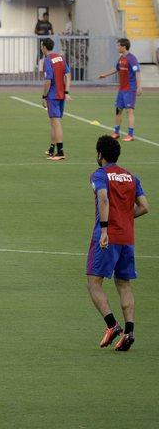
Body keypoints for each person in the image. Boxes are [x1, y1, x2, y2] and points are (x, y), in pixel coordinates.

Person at [86, 135, 148, 351]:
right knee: (124, 284)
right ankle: (129, 332)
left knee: (94, 283)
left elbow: (103, 198)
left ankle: (112, 326)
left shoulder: (100, 175)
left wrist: (105, 228)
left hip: (107, 237)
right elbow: (144, 206)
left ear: (100, 155)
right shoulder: (131, 176)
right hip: (127, 237)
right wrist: (124, 217)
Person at [98, 38, 141, 142]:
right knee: (118, 110)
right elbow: (116, 68)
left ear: (123, 47)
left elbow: (137, 72)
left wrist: (139, 86)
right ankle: (116, 132)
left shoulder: (132, 59)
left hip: (130, 89)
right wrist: (105, 74)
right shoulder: (121, 58)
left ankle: (130, 135)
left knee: (129, 112)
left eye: (118, 46)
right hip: (121, 89)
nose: (117, 47)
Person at [41, 38, 71, 160]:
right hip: (61, 94)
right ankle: (52, 149)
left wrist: (44, 96)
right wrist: (67, 91)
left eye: (41, 46)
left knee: (56, 123)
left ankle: (60, 152)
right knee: (54, 123)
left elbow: (48, 81)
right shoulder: (60, 57)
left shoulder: (48, 60)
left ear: (44, 47)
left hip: (53, 95)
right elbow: (68, 75)